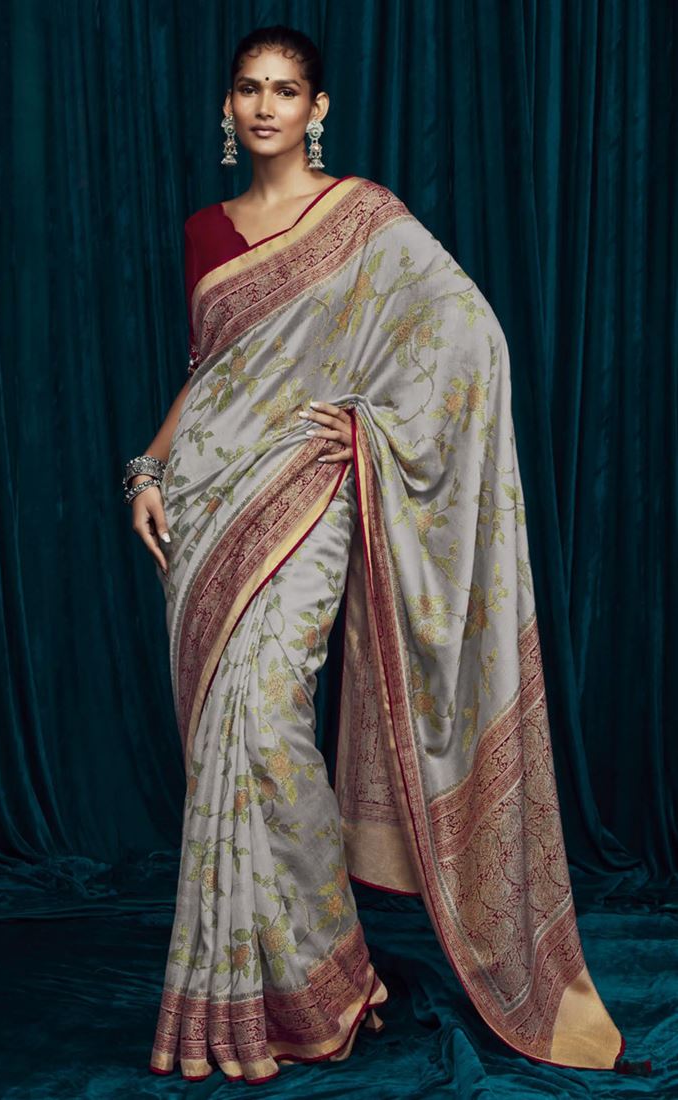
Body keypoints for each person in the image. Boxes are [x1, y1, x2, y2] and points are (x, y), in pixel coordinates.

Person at [124, 23, 633, 1086]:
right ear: (228, 107)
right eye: (249, 89)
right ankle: (270, 987)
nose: (265, 106)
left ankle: (328, 978)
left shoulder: (366, 218)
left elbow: (466, 338)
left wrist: (364, 425)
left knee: (268, 726)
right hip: (207, 505)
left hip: (312, 493)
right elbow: (210, 373)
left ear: (317, 110)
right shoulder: (204, 230)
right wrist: (147, 470)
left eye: (286, 90)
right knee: (223, 748)